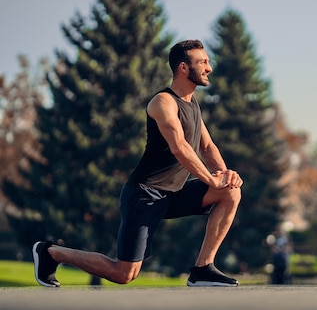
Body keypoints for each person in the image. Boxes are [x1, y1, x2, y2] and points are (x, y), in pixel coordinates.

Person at [32, 39, 243, 287]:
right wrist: (210, 179)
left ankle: (202, 269)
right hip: (145, 195)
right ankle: (49, 253)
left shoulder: (192, 104)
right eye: (203, 62)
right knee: (125, 274)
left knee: (231, 191)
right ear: (184, 68)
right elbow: (180, 148)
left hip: (174, 194)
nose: (209, 68)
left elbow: (206, 146)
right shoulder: (163, 102)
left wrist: (225, 173)